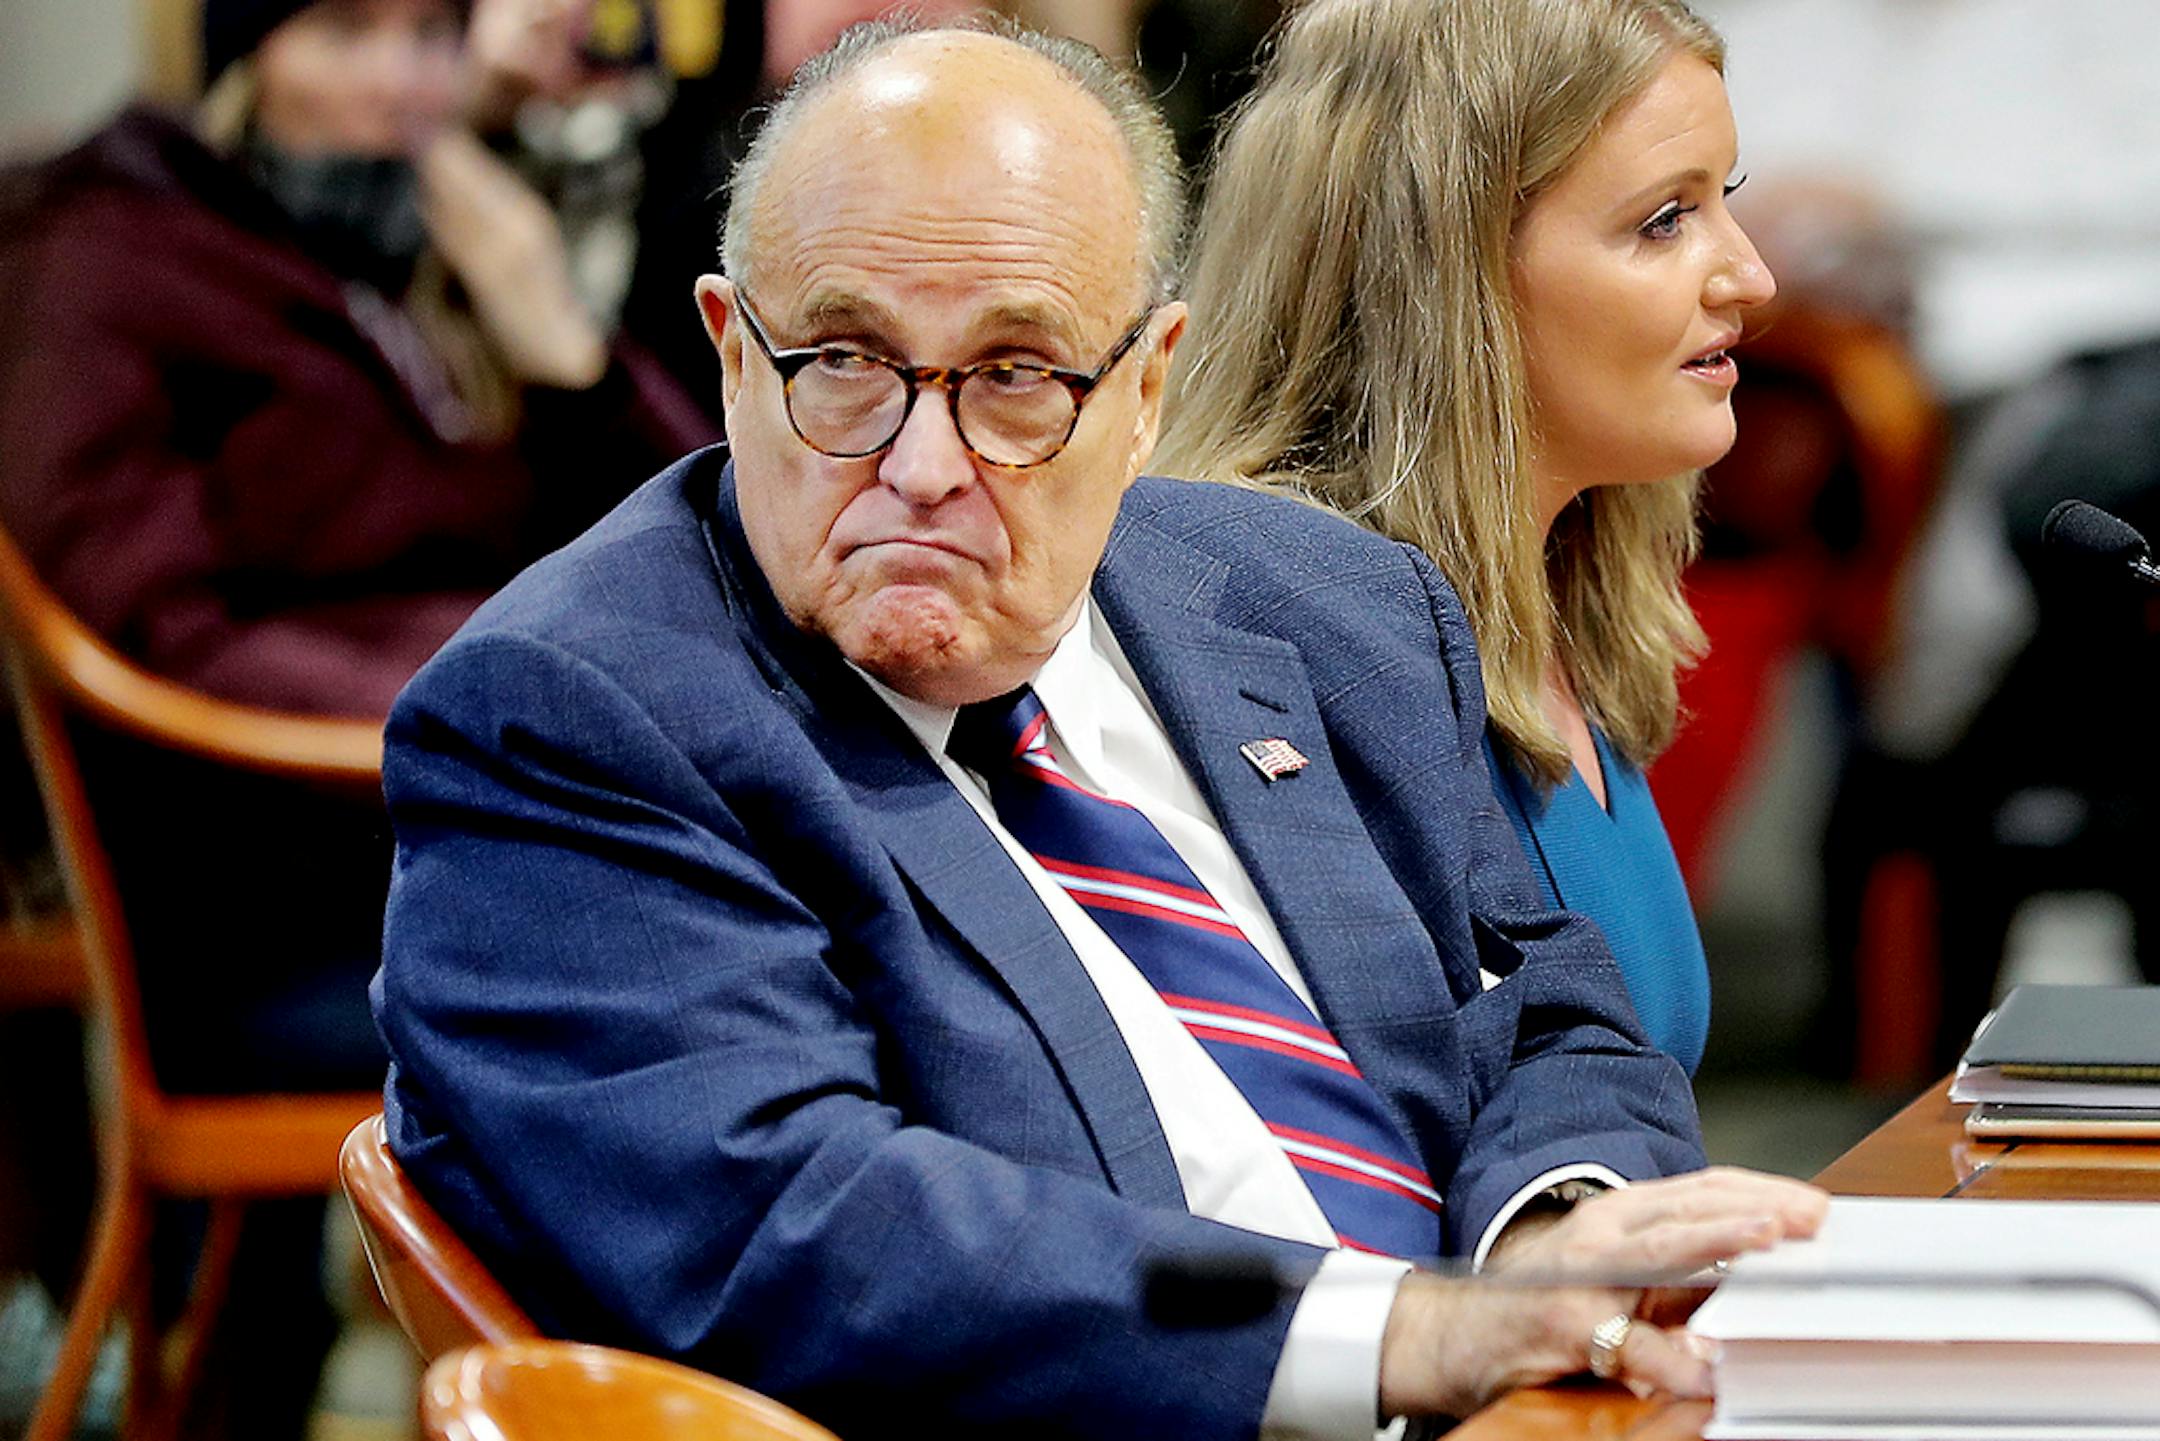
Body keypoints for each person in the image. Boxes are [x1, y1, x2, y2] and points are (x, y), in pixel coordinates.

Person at [374, 18, 1825, 1440]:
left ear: (1146, 388)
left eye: (1016, 374)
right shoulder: (573, 719)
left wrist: (1547, 1241)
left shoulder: (1319, 598)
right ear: (733, 355)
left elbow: (1546, 1003)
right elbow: (798, 1231)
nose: (922, 466)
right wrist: (1406, 1336)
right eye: (845, 361)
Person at [0, 1, 709, 1434]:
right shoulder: (109, 256)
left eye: (432, 33)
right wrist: (485, 714)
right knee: (683, 1000)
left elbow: (704, 554)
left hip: (457, 845)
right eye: (345, 31)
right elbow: (146, 636)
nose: (400, 85)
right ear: (243, 60)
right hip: (267, 905)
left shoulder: (412, 255)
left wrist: (559, 342)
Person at [1158, 0, 1779, 1077]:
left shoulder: (1562, 586)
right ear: (1447, 274)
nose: (1753, 278)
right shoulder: (1283, 660)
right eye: (1663, 221)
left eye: (1724, 198)